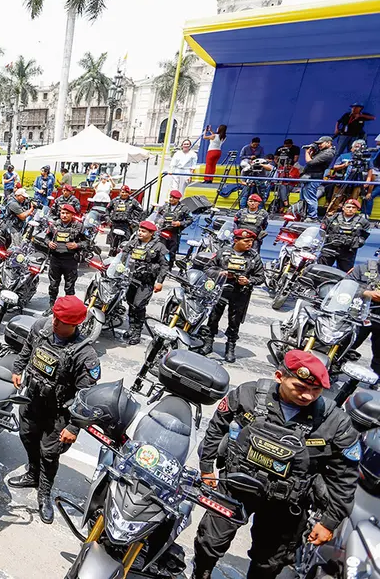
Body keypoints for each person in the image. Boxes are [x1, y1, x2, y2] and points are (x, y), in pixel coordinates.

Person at [192, 350, 359, 579]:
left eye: (316, 390)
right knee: (209, 542)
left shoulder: (335, 422)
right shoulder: (248, 394)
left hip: (286, 504)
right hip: (235, 487)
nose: (307, 396)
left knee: (269, 562)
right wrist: (206, 467)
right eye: (300, 387)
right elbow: (217, 426)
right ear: (280, 377)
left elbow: (345, 477)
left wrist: (329, 522)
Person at [8, 296, 101, 523]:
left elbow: (86, 396)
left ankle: (44, 492)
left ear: (75, 324)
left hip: (59, 412)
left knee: (49, 453)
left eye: (61, 321)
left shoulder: (85, 355)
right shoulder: (42, 327)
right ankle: (32, 474)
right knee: (27, 436)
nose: (55, 323)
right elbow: (28, 347)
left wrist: (74, 427)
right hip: (32, 399)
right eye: (55, 317)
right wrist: (18, 368)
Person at [199, 228, 266, 363]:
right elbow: (207, 268)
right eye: (246, 241)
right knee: (213, 317)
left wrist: (249, 281)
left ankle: (230, 348)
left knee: (234, 321)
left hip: (241, 292)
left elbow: (261, 277)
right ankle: (208, 343)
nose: (250, 244)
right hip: (221, 290)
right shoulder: (223, 252)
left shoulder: (254, 256)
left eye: (251, 241)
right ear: (236, 240)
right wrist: (220, 273)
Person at [121, 220, 170, 345]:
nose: (140, 233)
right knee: (130, 303)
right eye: (139, 230)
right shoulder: (133, 243)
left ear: (151, 233)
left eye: (143, 231)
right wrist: (119, 268)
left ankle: (137, 331)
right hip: (131, 279)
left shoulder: (159, 247)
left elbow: (165, 265)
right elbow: (123, 256)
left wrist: (160, 281)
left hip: (146, 282)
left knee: (139, 305)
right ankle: (131, 328)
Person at [44, 204, 87, 304]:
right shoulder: (54, 225)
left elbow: (87, 242)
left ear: (72, 214)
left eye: (67, 213)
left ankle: (68, 308)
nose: (64, 215)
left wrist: (76, 245)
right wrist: (49, 243)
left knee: (69, 286)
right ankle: (51, 305)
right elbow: (46, 238)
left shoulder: (79, 226)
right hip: (55, 259)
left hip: (70, 260)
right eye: (62, 213)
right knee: (53, 284)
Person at [320, 198, 371, 272]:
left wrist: (357, 242)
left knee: (345, 273)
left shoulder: (363, 221)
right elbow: (323, 230)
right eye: (348, 207)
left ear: (357, 209)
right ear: (343, 208)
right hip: (330, 247)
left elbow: (365, 234)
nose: (350, 209)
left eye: (353, 207)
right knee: (322, 269)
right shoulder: (332, 218)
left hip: (348, 251)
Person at [300, 135, 337, 220]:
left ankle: (312, 217)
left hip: (314, 178)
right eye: (318, 144)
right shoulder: (322, 151)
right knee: (304, 198)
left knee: (310, 198)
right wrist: (312, 152)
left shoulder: (328, 153)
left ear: (328, 143)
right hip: (309, 177)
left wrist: (306, 152)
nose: (319, 145)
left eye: (321, 143)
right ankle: (304, 214)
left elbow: (310, 162)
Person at [155, 190, 193, 259]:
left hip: (174, 233)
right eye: (170, 197)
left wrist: (180, 223)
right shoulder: (164, 207)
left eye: (174, 198)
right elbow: (157, 216)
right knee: (161, 251)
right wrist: (159, 222)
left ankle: (169, 266)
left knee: (171, 252)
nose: (171, 199)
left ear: (178, 199)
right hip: (163, 232)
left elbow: (190, 220)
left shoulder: (184, 208)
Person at [106, 185, 143, 256]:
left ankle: (122, 257)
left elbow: (141, 211)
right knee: (112, 243)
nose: (124, 194)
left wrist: (136, 221)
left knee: (125, 244)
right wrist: (107, 219)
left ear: (128, 193)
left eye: (126, 192)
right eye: (122, 192)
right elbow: (107, 209)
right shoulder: (114, 200)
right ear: (120, 192)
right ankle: (110, 256)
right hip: (114, 224)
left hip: (126, 225)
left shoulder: (133, 201)